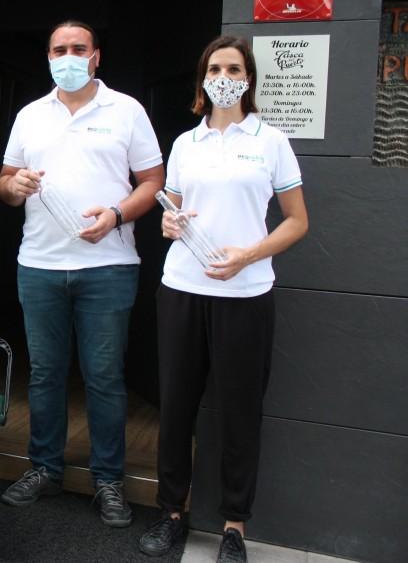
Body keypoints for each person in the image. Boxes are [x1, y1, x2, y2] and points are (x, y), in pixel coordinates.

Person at [138, 36, 308, 563]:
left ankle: (234, 525)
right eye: (214, 68)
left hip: (244, 294)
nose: (224, 77)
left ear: (248, 78)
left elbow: (298, 221)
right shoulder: (186, 143)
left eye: (234, 69)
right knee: (176, 406)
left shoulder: (271, 140)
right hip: (182, 289)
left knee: (239, 412)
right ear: (203, 78)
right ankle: (171, 512)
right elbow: (173, 212)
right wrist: (169, 224)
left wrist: (249, 254)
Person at [0, 21, 165, 526]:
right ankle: (44, 468)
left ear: (96, 57)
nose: (68, 57)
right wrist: (14, 187)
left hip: (108, 266)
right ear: (48, 57)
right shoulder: (30, 115)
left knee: (105, 377)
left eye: (78, 48)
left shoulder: (126, 110)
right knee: (45, 374)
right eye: (58, 50)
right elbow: (4, 181)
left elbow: (153, 181)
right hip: (40, 265)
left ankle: (108, 479)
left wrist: (116, 214)